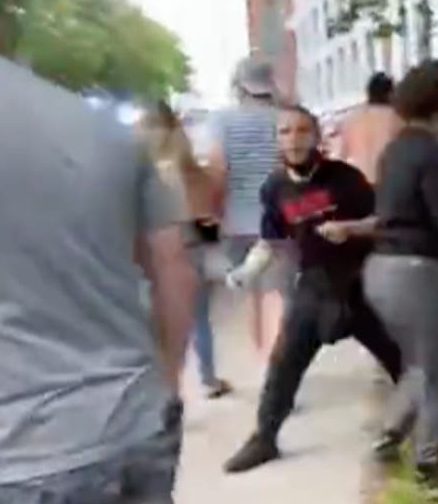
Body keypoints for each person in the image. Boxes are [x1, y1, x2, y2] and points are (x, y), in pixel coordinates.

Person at [0, 0, 197, 504]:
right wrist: (166, 379)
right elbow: (174, 263)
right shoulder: (100, 125)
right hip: (134, 422)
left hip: (12, 450)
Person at [221, 107, 403, 473]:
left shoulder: (345, 179)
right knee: (283, 364)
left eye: (302, 131)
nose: (294, 139)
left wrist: (350, 228)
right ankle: (264, 438)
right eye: (285, 132)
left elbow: (385, 223)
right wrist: (247, 271)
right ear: (277, 139)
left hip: (359, 284)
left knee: (401, 358)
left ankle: (432, 420)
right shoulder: (274, 188)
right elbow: (271, 241)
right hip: (314, 287)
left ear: (317, 136)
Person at [342, 61, 438, 483]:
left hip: (381, 269)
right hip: (423, 271)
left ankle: (389, 435)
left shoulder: (395, 150)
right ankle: (428, 460)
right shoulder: (433, 153)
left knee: (419, 361)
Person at [136, 102, 233, 399]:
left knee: (155, 326)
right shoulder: (189, 168)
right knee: (199, 319)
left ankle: (164, 389)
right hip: (190, 247)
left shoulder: (140, 170)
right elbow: (209, 213)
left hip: (151, 253)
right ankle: (209, 378)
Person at [203, 56, 291, 359]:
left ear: (239, 86)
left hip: (235, 222)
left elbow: (217, 170)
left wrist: (214, 213)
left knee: (251, 295)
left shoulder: (220, 121)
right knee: (276, 295)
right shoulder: (284, 119)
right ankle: (276, 364)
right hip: (278, 222)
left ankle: (263, 357)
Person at [339, 71, 403, 184]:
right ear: (390, 94)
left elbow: (342, 154)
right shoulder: (397, 118)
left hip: (359, 182)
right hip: (387, 182)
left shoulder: (352, 118)